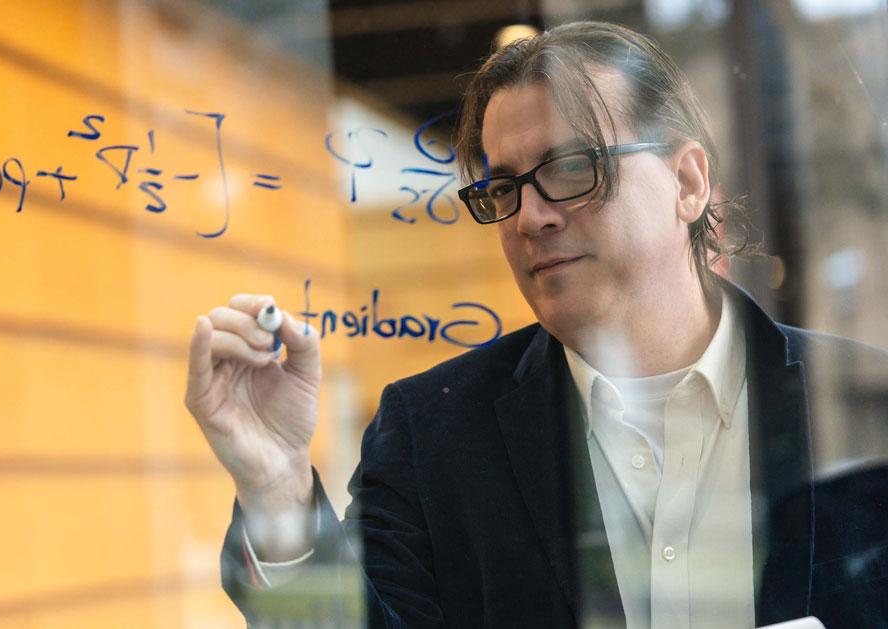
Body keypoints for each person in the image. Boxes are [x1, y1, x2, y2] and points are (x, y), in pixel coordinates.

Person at [185, 21, 888, 628]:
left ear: (688, 183)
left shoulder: (860, 415)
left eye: (573, 166)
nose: (530, 216)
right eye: (504, 186)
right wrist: (277, 489)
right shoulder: (431, 434)